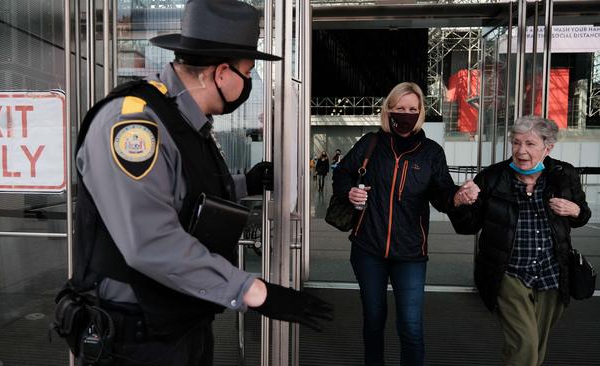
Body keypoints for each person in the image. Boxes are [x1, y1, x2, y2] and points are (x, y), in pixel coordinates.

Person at [61, 1, 333, 364]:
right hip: (134, 340)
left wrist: (242, 184)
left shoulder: (185, 124)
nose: (251, 82)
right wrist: (254, 291)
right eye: (249, 72)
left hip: (180, 325)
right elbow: (151, 241)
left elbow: (182, 193)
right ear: (221, 73)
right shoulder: (134, 125)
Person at [332, 82, 474, 366]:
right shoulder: (369, 144)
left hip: (410, 253)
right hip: (367, 248)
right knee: (373, 321)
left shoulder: (431, 152)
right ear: (389, 110)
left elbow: (442, 194)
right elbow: (342, 175)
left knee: (410, 327)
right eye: (399, 108)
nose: (405, 114)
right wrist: (349, 190)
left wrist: (458, 197)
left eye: (412, 109)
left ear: (420, 112)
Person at [448, 116, 591, 366]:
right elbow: (467, 226)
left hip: (551, 273)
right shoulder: (493, 178)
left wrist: (575, 210)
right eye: (516, 143)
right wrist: (460, 203)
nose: (521, 151)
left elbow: (582, 216)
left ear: (548, 147)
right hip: (509, 273)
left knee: (536, 344)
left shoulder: (563, 174)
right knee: (524, 344)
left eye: (530, 144)